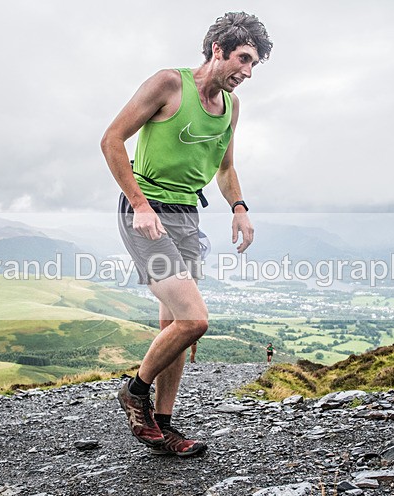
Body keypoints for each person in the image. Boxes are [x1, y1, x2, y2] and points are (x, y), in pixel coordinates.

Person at [101, 12, 273, 457]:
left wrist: (239, 207)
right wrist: (140, 204)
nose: (247, 72)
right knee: (194, 321)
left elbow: (226, 167)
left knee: (174, 323)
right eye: (243, 59)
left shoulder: (232, 107)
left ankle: (162, 425)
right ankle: (134, 392)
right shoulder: (169, 84)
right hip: (146, 212)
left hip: (185, 217)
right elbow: (112, 139)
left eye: (254, 64)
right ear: (217, 49)